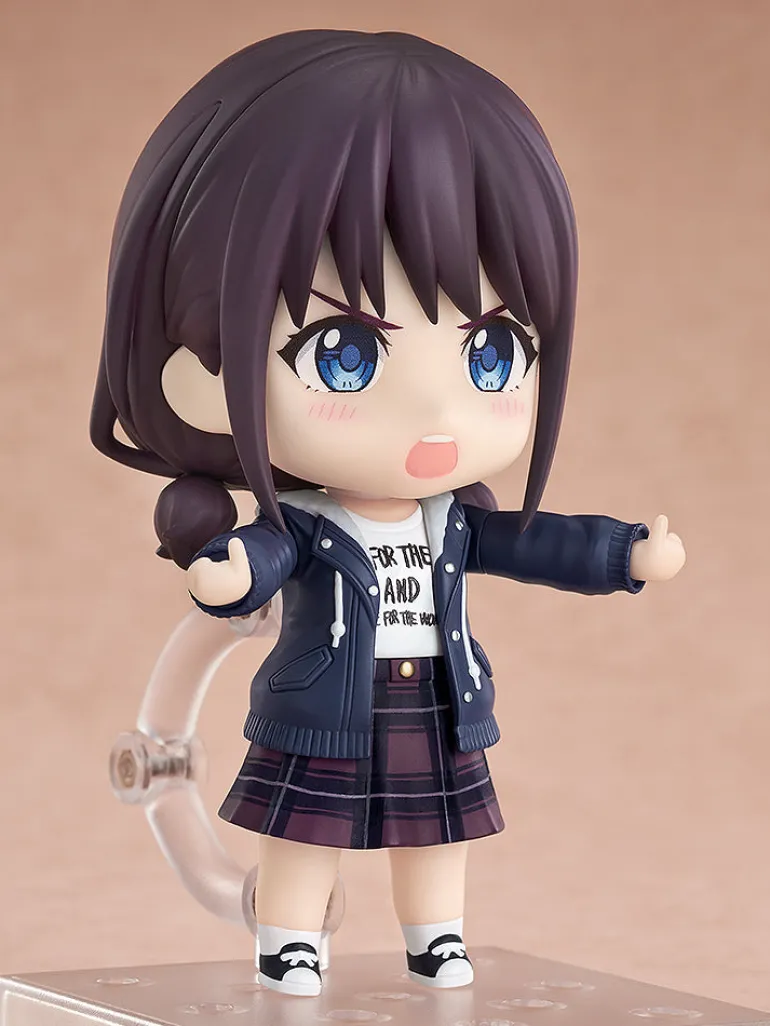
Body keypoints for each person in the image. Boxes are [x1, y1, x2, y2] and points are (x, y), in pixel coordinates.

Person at [91, 29, 685, 997]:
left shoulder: (451, 522)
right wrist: (232, 570)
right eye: (344, 355)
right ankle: (290, 939)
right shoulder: (308, 522)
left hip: (440, 696)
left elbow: (530, 543)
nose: (436, 414)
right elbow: (267, 556)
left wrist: (620, 554)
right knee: (304, 832)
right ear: (199, 365)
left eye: (492, 353)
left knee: (439, 830)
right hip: (323, 702)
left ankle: (436, 937)